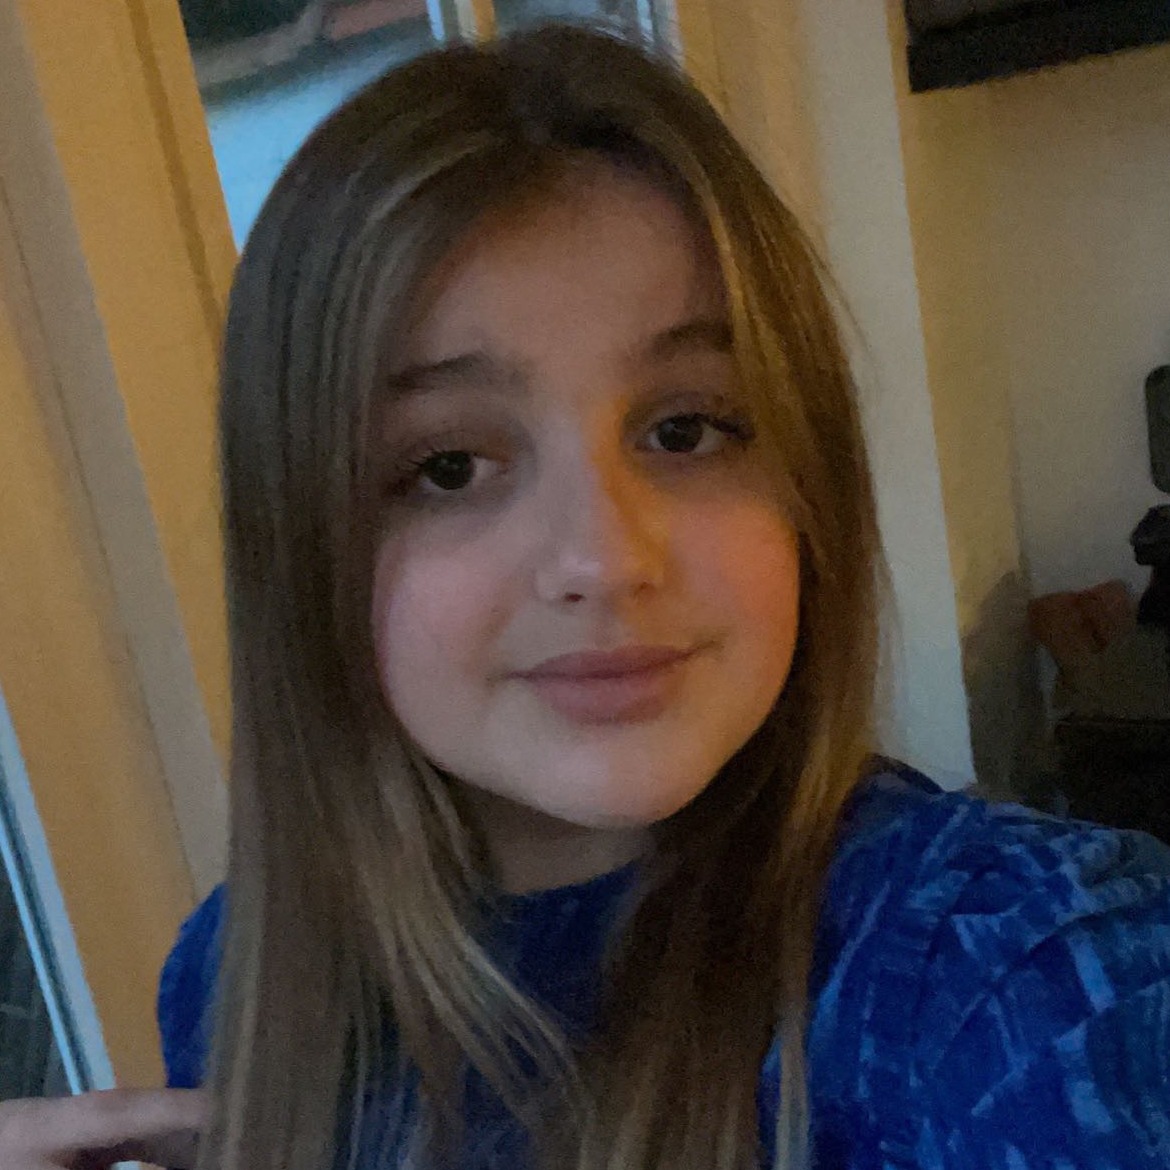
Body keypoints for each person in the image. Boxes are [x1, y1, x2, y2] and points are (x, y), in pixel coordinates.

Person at [2, 22, 1168, 1170]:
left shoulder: (1009, 974)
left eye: (687, 429)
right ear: (303, 546)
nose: (605, 559)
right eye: (447, 467)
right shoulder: (237, 981)